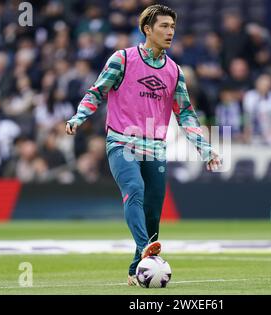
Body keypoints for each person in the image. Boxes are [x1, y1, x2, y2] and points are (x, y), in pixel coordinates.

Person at [65, 5, 221, 286]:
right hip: (121, 142)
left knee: (153, 212)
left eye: (172, 26)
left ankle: (137, 267)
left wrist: (205, 148)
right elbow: (96, 91)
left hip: (156, 148)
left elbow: (185, 113)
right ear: (147, 29)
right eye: (163, 26)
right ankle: (148, 249)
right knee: (134, 190)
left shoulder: (174, 71)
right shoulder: (122, 59)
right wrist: (79, 117)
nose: (170, 31)